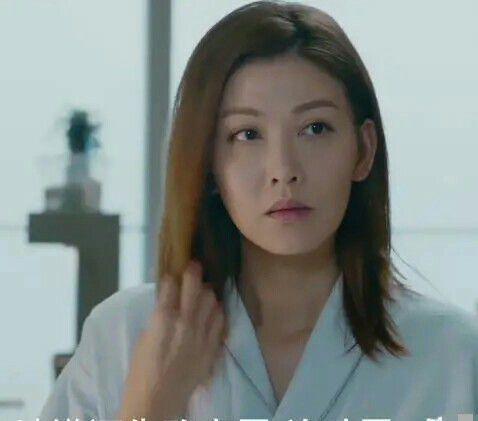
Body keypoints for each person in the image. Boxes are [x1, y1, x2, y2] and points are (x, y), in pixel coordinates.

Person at [39, 1, 478, 420]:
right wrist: (149, 410)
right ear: (208, 163)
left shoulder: (452, 355)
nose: (284, 171)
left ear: (363, 150)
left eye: (315, 128)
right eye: (247, 134)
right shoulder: (123, 337)